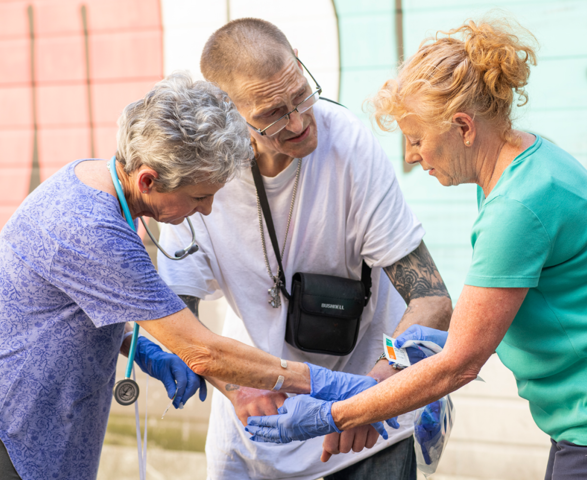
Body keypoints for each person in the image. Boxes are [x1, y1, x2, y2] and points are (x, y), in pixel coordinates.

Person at [247, 18, 587, 480]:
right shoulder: (523, 162)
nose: (413, 157)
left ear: (463, 127)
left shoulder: (518, 206)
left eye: (417, 140)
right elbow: (487, 316)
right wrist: (419, 352)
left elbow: (459, 364)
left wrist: (337, 414)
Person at [0, 73, 394, 480]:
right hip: (10, 429)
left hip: (48, 425)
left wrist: (143, 348)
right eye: (200, 197)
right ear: (149, 180)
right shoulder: (90, 227)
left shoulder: (93, 184)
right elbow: (204, 351)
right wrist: (343, 389)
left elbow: (71, 309)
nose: (205, 210)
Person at [157, 18, 455, 480]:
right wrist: (237, 388)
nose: (298, 121)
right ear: (227, 113)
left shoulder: (347, 143)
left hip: (370, 430)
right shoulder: (198, 176)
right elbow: (179, 318)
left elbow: (432, 300)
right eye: (273, 114)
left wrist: (375, 391)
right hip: (257, 424)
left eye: (301, 94)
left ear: (298, 61)